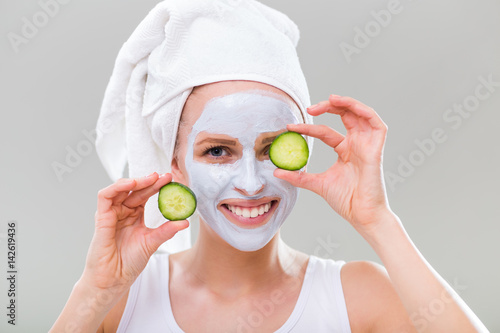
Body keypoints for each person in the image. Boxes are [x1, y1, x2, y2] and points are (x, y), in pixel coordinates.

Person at [51, 1, 488, 332]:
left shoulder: (358, 296)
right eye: (217, 151)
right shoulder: (119, 302)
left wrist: (378, 220)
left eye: (272, 147)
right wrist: (95, 289)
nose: (250, 182)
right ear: (174, 163)